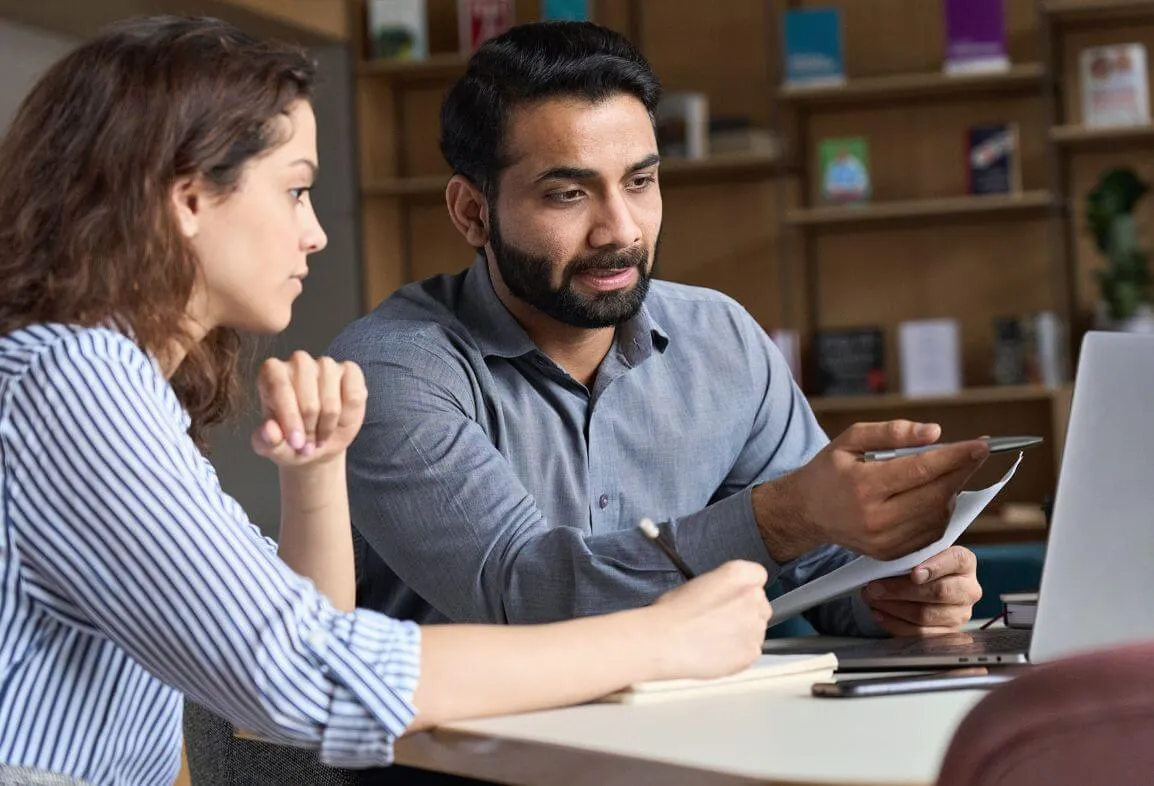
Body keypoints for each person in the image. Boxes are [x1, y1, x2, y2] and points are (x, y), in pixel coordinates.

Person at [0, 16, 774, 785]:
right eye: (296, 190)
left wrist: (314, 474)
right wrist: (656, 640)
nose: (315, 234)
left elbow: (294, 650)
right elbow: (305, 680)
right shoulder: (73, 378)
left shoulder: (97, 383)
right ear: (190, 198)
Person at [329, 20, 989, 638]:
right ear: (473, 212)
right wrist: (786, 515)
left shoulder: (720, 340)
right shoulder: (391, 371)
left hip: (695, 736)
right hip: (463, 754)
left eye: (640, 181)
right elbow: (523, 595)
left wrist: (898, 591)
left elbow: (815, 568)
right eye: (568, 193)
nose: (621, 230)